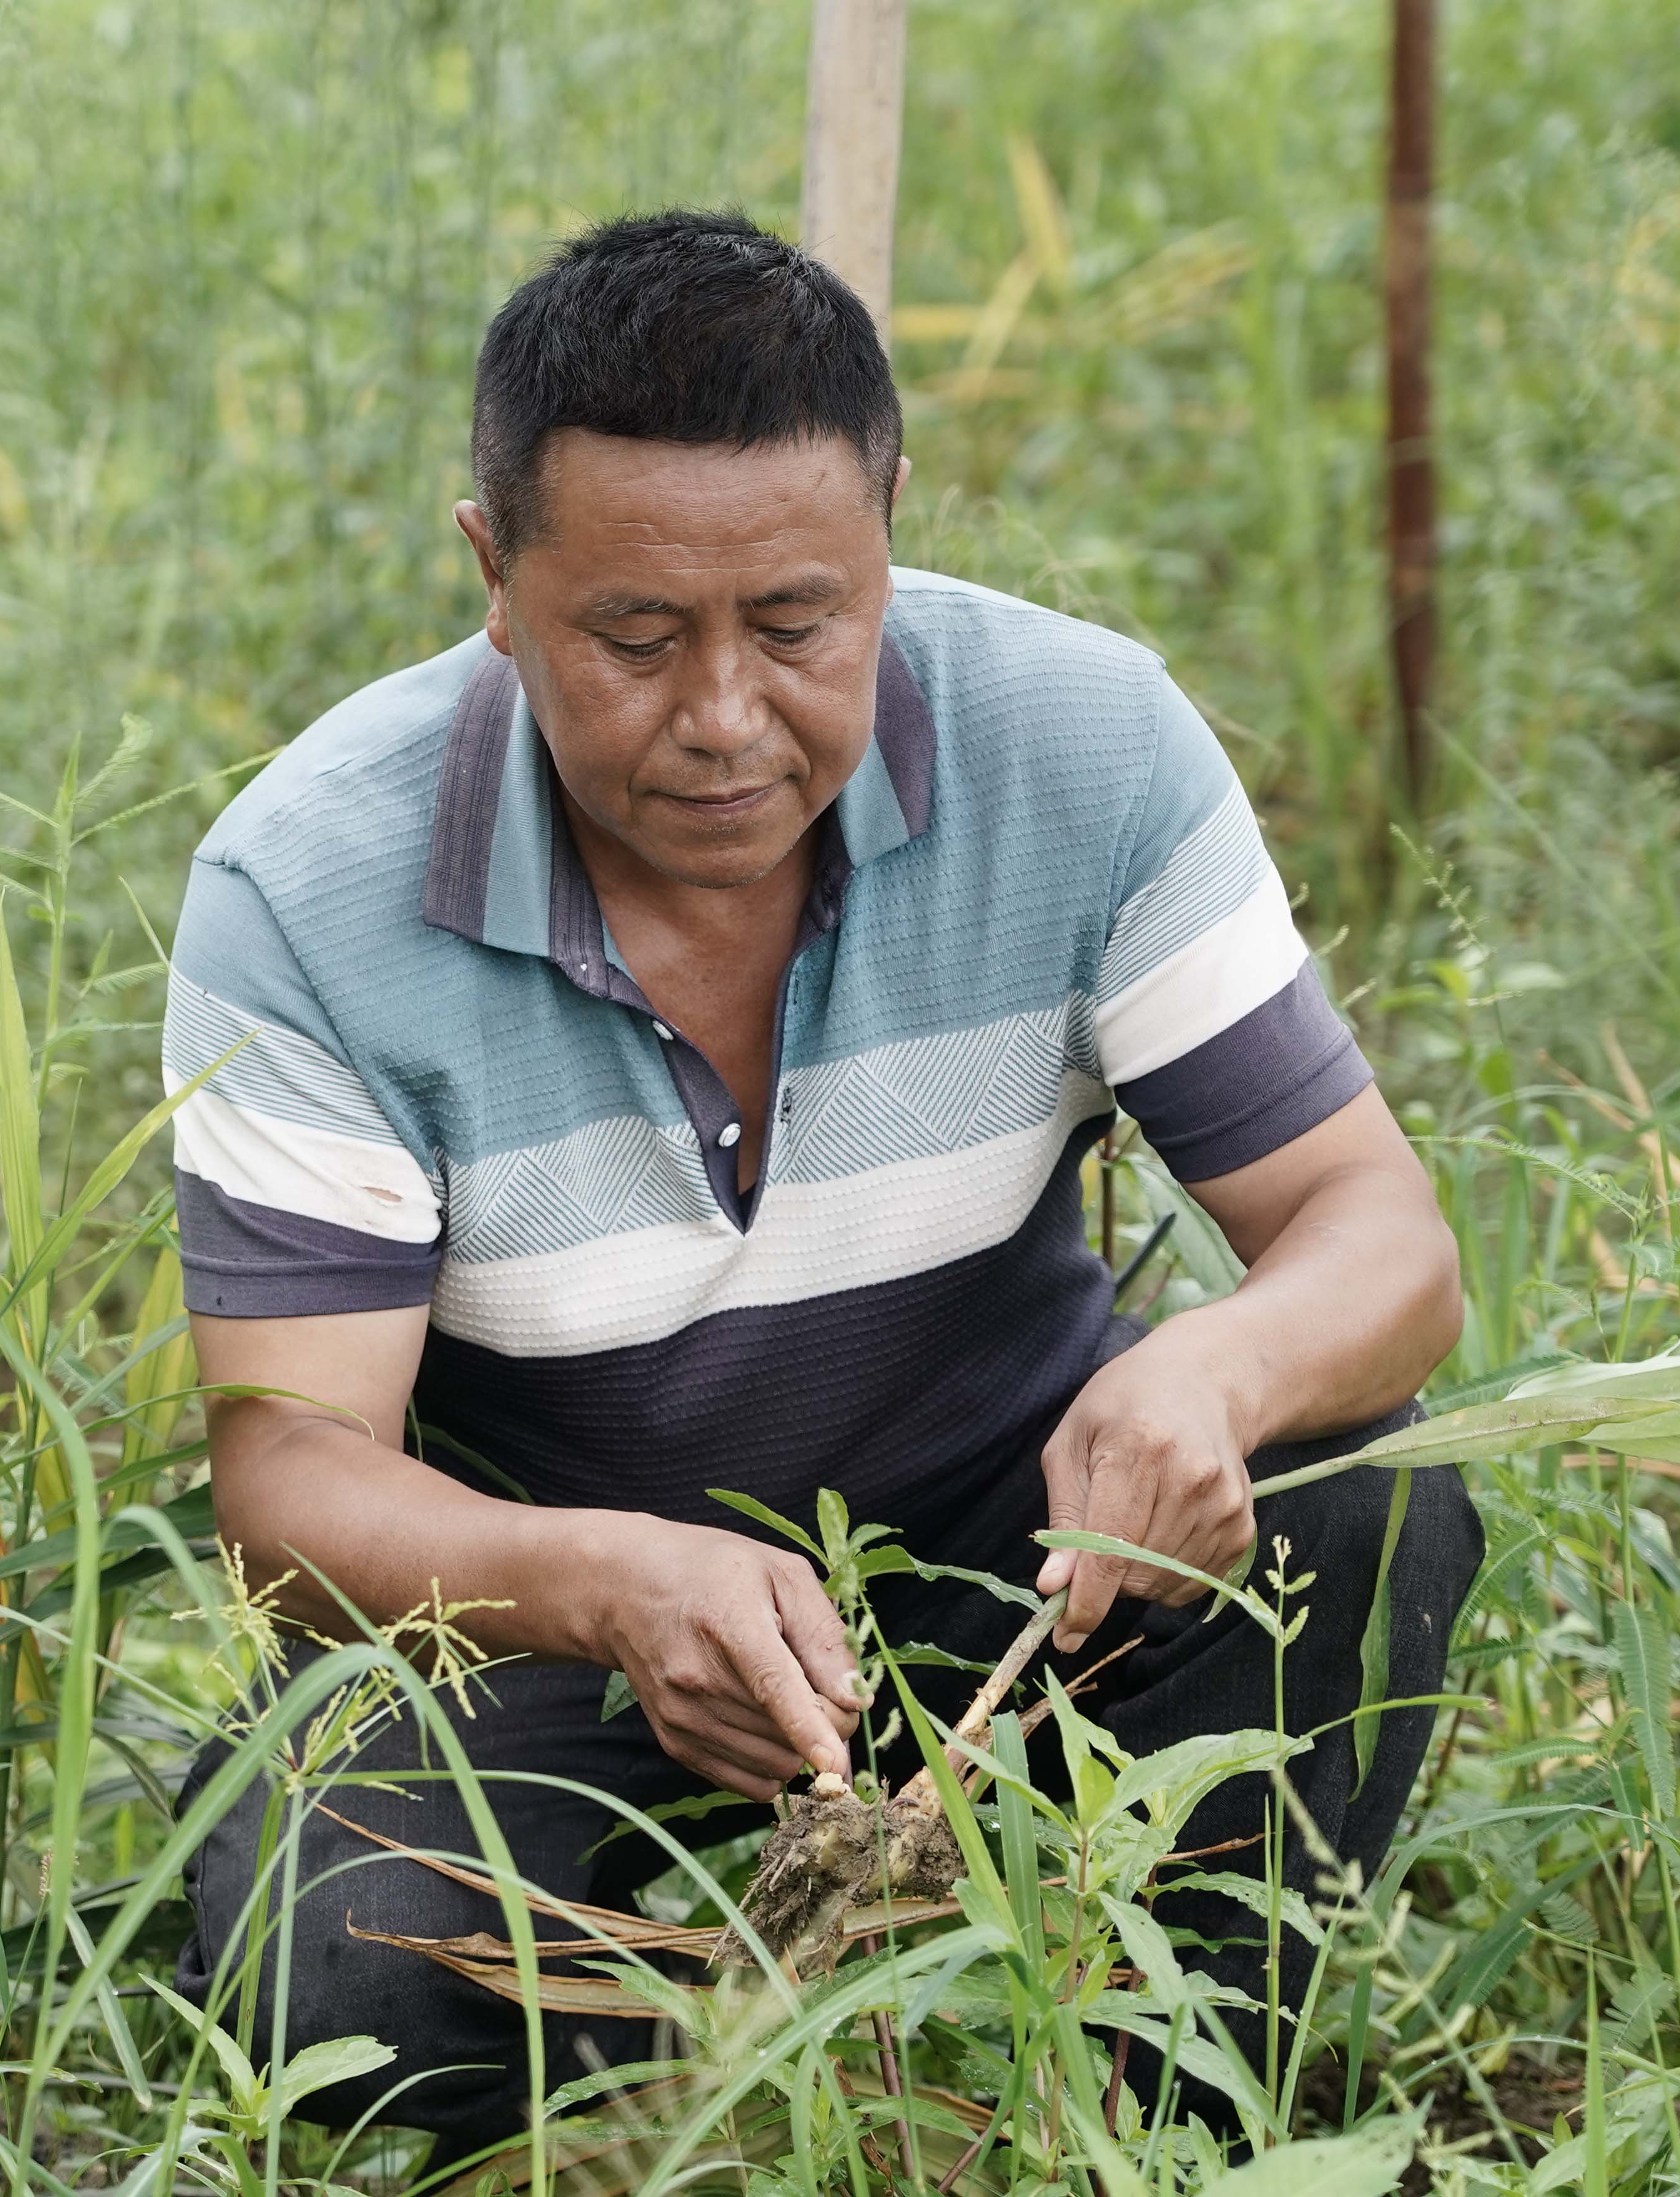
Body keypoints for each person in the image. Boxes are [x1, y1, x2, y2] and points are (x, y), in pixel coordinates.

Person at [162, 209, 1480, 2169]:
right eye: (633, 639)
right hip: (542, 1632)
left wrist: (1213, 1378)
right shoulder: (311, 889)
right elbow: (291, 1477)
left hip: (1024, 1583)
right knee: (346, 1987)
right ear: (494, 575)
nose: (722, 716)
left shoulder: (1083, 746)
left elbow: (1379, 1238)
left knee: (1358, 1500)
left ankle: (1157, 2119)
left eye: (798, 626)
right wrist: (614, 1591)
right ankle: (734, 2080)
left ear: (890, 534)